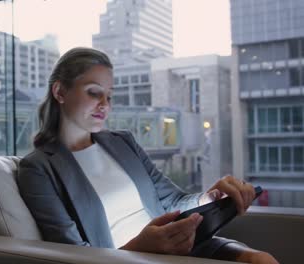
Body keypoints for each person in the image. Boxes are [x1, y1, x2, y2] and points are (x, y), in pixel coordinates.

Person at [17, 47, 278, 263]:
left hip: (181, 248)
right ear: (60, 92)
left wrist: (211, 197)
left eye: (109, 96)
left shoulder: (122, 142)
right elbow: (72, 254)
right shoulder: (38, 168)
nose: (105, 105)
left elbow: (173, 199)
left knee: (261, 259)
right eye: (94, 92)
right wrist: (139, 247)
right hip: (125, 259)